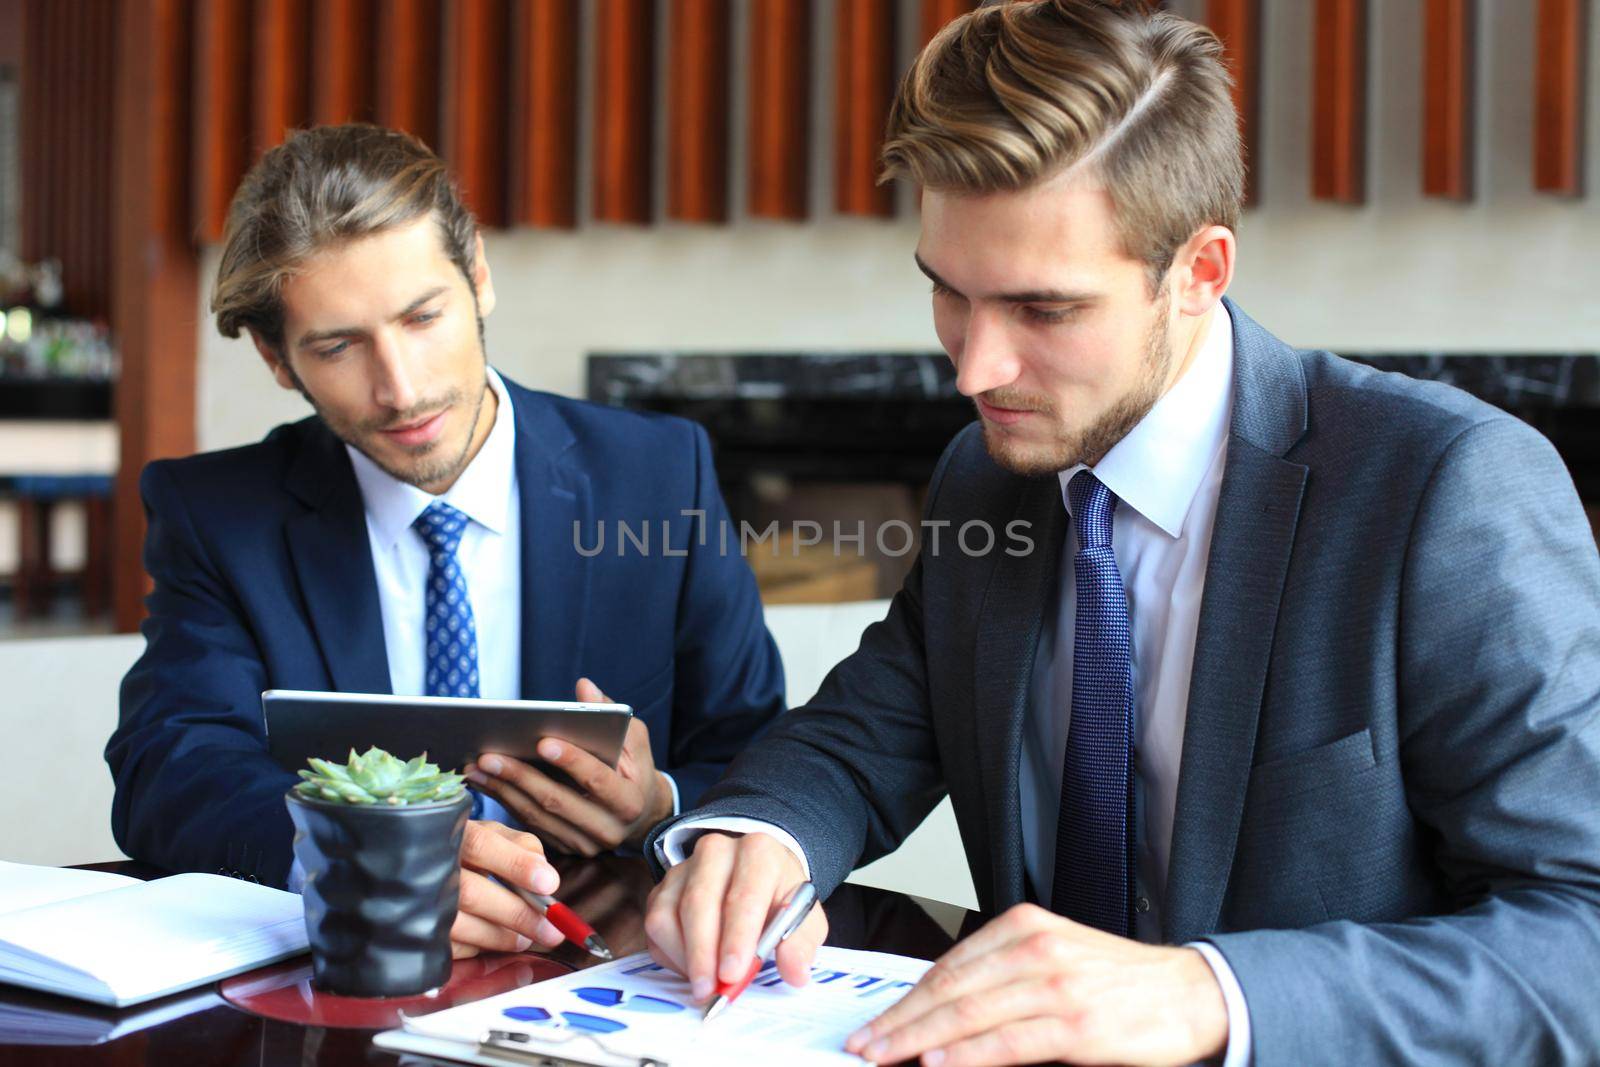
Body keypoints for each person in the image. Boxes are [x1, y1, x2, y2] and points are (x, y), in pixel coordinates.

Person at [641, 2, 1600, 1064]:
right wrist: (757, 837)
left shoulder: (1445, 487)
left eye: (1043, 310)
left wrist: (1208, 993)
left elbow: (1580, 934)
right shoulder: (985, 473)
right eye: (948, 293)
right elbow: (864, 738)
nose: (973, 370)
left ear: (1199, 271)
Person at [105, 124, 785, 960]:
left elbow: (758, 749)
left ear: (480, 280)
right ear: (278, 360)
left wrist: (660, 805)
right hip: (354, 977)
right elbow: (169, 765)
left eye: (423, 317)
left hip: (602, 965)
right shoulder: (217, 513)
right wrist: (345, 853)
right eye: (338, 345)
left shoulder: (659, 473)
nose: (402, 387)